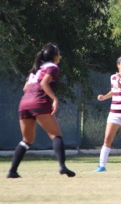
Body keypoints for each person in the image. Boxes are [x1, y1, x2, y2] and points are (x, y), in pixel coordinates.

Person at [6, 43, 76, 178]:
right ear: (55, 56)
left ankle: (12, 171)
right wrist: (54, 99)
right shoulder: (53, 67)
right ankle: (62, 166)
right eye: (59, 54)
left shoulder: (35, 70)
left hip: (24, 103)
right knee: (56, 135)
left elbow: (25, 88)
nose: (60, 56)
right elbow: (44, 83)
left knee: (27, 140)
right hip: (38, 102)